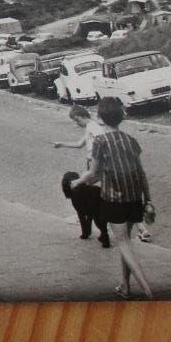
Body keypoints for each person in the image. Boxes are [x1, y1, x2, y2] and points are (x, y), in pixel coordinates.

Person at [71, 97, 155, 299]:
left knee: (124, 244)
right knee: (124, 241)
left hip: (114, 198)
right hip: (134, 198)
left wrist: (78, 182)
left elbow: (93, 173)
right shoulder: (130, 140)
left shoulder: (100, 141)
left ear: (99, 117)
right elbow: (141, 173)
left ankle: (148, 291)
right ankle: (125, 286)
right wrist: (148, 200)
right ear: (121, 117)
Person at [54, 105, 110, 247]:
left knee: (88, 194)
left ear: (78, 117)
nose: (76, 124)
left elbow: (103, 144)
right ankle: (94, 227)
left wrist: (97, 164)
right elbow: (80, 144)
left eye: (75, 121)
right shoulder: (90, 127)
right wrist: (62, 144)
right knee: (92, 197)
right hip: (92, 163)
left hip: (95, 164)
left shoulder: (94, 128)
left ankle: (99, 229)